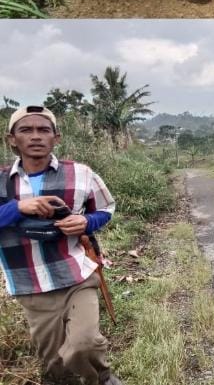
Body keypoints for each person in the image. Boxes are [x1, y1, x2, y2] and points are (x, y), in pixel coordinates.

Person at [0, 106, 122, 385]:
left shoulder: (80, 173)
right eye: (26, 130)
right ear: (11, 139)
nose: (35, 136)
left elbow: (106, 209)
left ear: (56, 138)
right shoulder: (1, 180)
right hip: (30, 285)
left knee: (85, 344)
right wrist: (17, 207)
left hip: (76, 275)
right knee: (54, 364)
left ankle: (102, 378)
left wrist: (85, 223)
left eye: (44, 130)